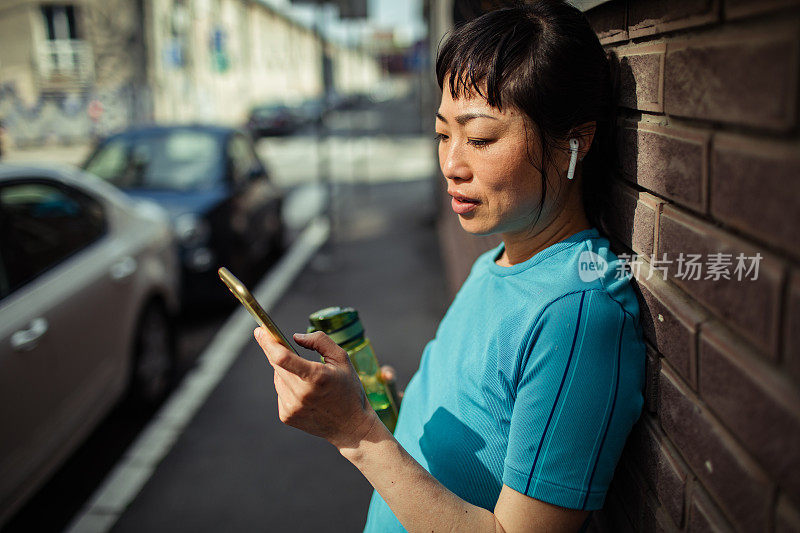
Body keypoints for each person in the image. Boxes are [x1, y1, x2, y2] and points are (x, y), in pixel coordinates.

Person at [253, 2, 645, 531]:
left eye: (480, 139)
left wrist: (356, 431)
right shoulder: (499, 261)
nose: (453, 165)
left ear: (576, 141)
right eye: (443, 134)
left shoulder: (576, 313)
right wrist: (383, 410)